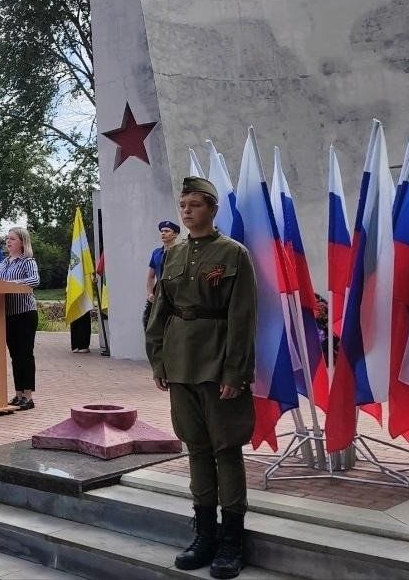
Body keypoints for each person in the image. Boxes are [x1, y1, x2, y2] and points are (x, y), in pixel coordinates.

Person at [145, 177, 257, 579]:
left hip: (217, 361)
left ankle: (232, 540)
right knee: (195, 446)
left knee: (225, 448)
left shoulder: (233, 254)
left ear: (212, 209)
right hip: (180, 362)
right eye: (183, 205)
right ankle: (204, 535)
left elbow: (242, 318)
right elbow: (160, 311)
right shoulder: (171, 255)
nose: (187, 211)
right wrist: (158, 361)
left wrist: (236, 372)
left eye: (195, 204)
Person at [0, 226, 40, 410]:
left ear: (22, 242)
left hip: (25, 313)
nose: (8, 241)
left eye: (12, 239)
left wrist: (12, 283)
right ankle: (18, 395)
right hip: (8, 315)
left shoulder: (27, 261)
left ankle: (28, 397)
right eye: (7, 238)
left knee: (25, 354)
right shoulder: (6, 262)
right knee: (15, 356)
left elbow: (34, 280)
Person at [145, 220, 180, 330]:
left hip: (174, 294)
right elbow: (151, 275)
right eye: (161, 231)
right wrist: (150, 292)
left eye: (167, 231)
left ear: (175, 234)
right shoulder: (157, 253)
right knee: (151, 324)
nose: (163, 233)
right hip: (158, 293)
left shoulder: (181, 252)